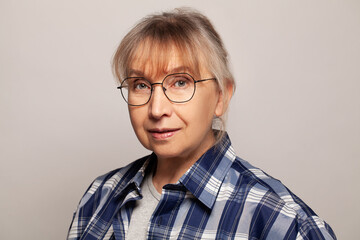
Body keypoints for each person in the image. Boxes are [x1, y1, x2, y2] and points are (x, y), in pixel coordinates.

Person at [67, 8, 336, 240]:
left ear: (221, 96)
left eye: (181, 82)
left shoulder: (278, 219)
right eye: (140, 85)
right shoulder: (101, 195)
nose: (157, 109)